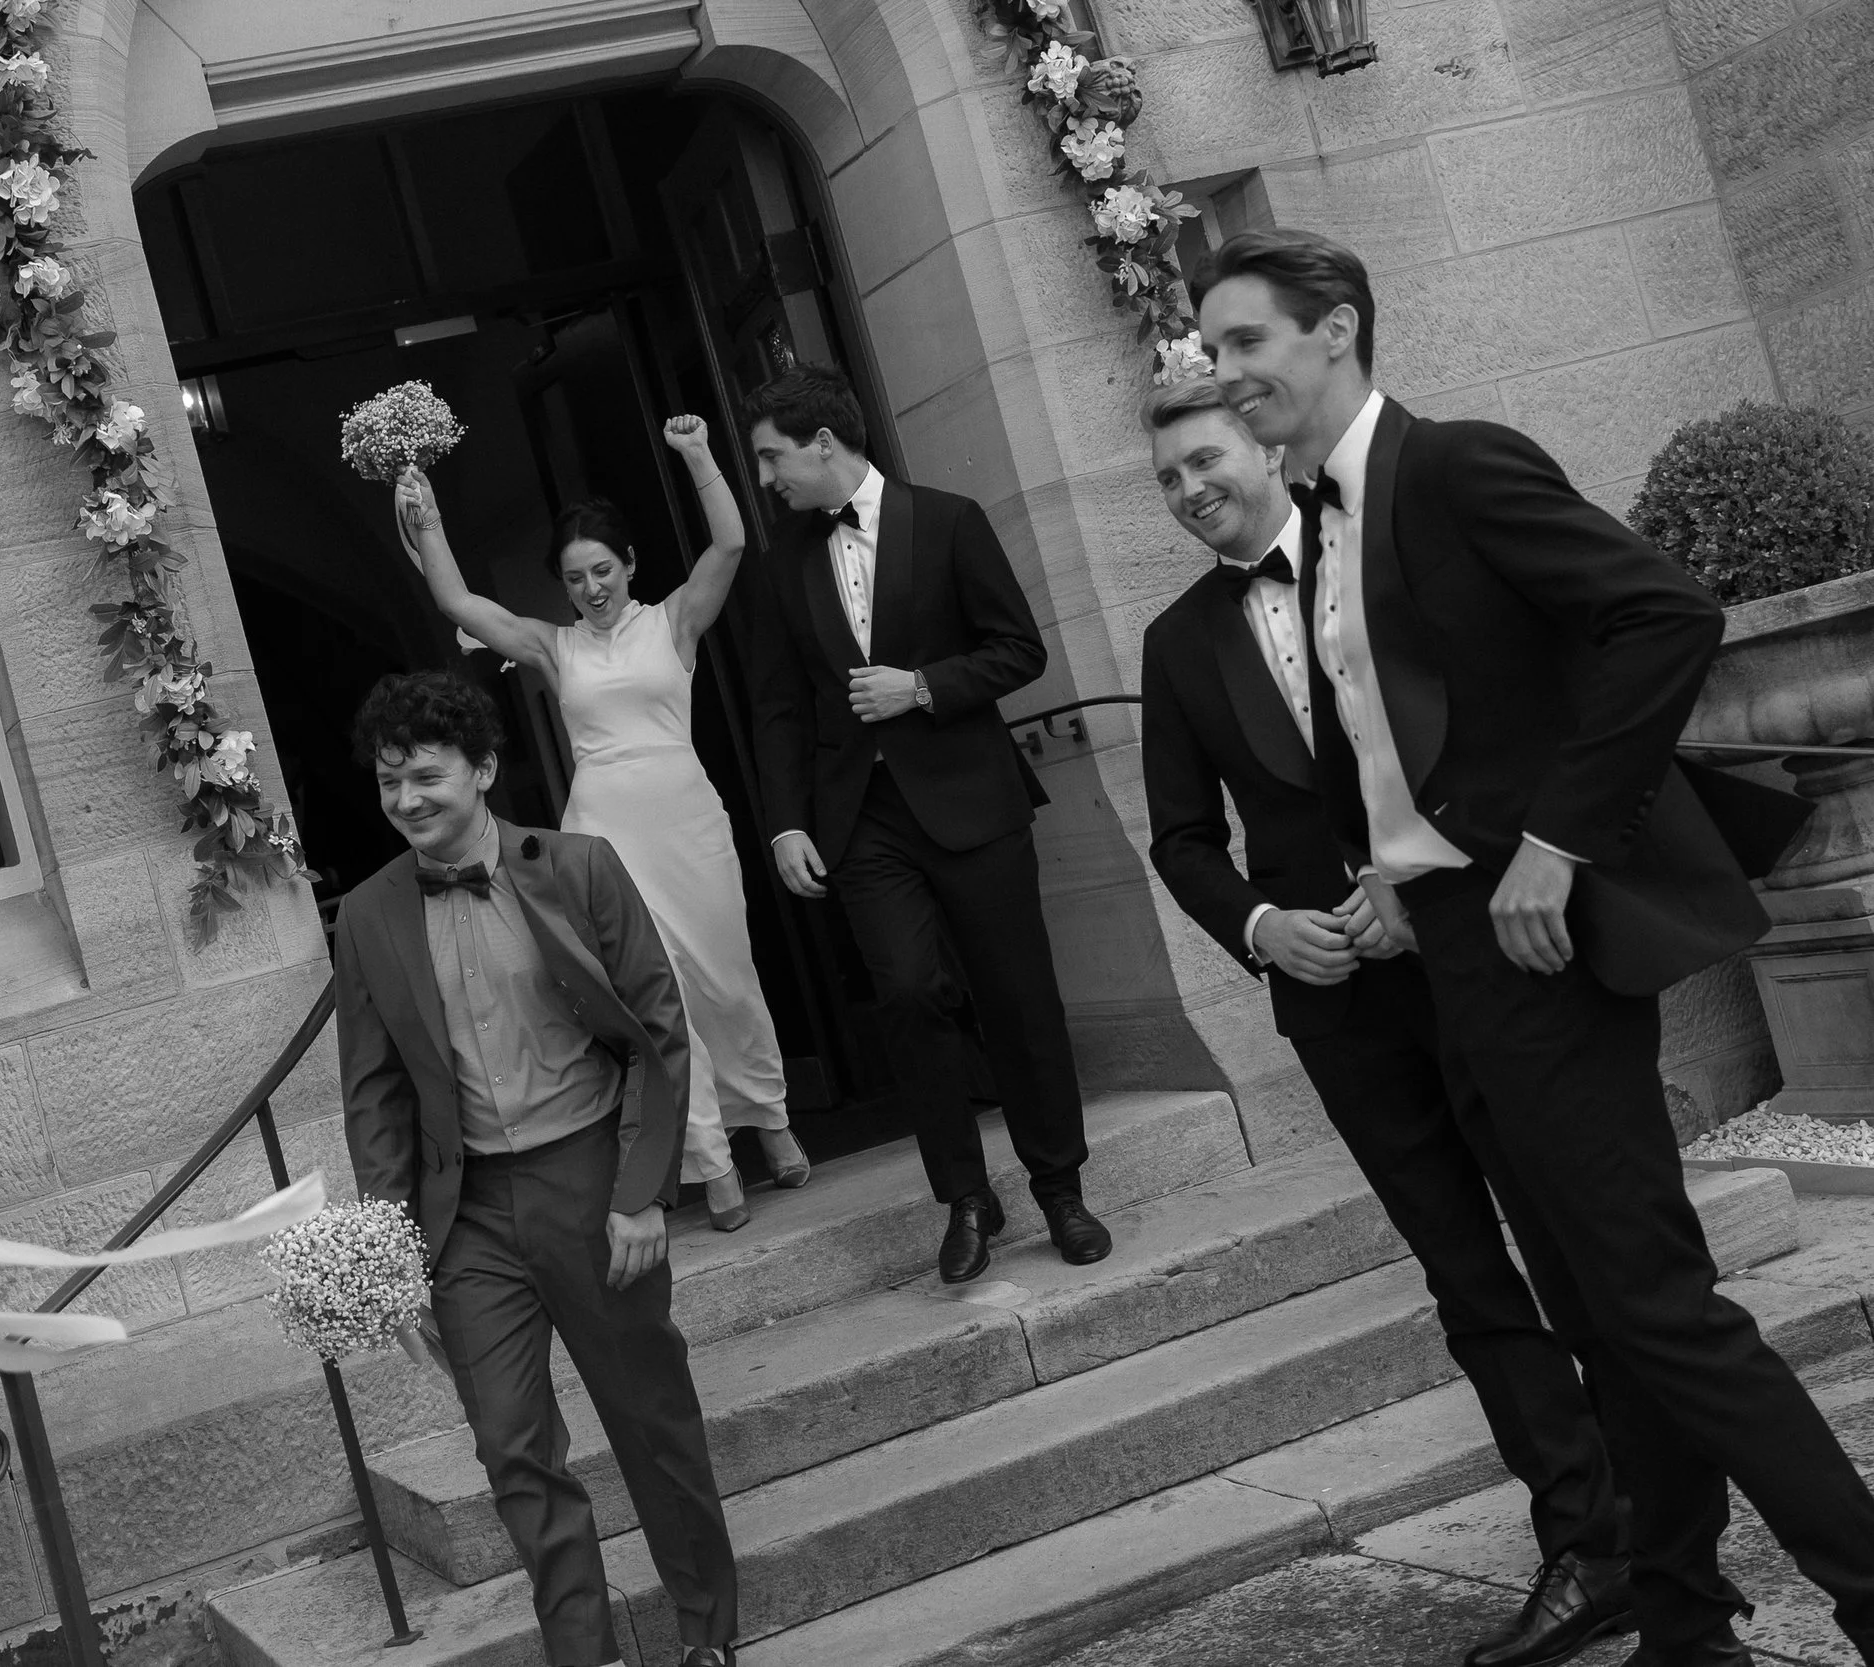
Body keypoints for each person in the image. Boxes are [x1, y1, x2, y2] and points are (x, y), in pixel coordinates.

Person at [1192, 226, 1874, 1667]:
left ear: (1337, 330)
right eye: (1216, 345)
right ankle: (1687, 1624)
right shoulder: (1322, 525)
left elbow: (1664, 613)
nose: (1225, 368)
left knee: (1655, 1306)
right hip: (1447, 955)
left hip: (1535, 950)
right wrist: (1389, 870)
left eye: (1247, 339)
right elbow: (1412, 739)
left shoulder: (1452, 467)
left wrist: (1553, 844)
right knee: (1598, 1309)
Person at [1138, 374, 1633, 1667]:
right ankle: (1582, 1538)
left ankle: (1658, 1514)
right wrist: (1263, 927)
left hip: (1474, 962)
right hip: (1339, 1010)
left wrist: (1423, 884)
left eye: (1206, 462)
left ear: (1259, 444)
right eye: (1169, 481)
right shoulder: (1176, 644)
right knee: (1468, 1274)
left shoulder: (1376, 559)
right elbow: (1183, 839)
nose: (1193, 493)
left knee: (1564, 1235)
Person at [330, 670, 740, 1667]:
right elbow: (374, 1095)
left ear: (482, 767)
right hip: (465, 1218)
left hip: (591, 1180)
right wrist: (396, 1257)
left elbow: (658, 1028)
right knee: (514, 1449)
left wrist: (643, 1194)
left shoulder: (581, 867)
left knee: (650, 1423)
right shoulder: (369, 915)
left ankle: (707, 1635)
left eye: (426, 774)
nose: (407, 799)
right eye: (389, 782)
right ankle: (585, 1651)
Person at [396, 415, 810, 1234]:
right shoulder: (555, 648)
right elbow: (456, 601)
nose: (591, 587)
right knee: (655, 995)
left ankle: (770, 1115)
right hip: (605, 836)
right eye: (575, 575)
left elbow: (727, 545)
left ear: (629, 566)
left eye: (602, 569)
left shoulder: (674, 621)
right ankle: (711, 1162)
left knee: (727, 977)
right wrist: (428, 520)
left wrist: (697, 457)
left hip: (687, 818)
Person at [739, 362, 1106, 1283]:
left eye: (773, 457)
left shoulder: (948, 519)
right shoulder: (781, 559)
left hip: (971, 799)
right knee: (905, 993)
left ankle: (1060, 1187)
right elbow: (778, 705)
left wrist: (924, 687)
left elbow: (1018, 648)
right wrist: (785, 823)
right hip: (859, 819)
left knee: (1017, 996)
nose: (769, 478)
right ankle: (966, 1198)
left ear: (824, 442)